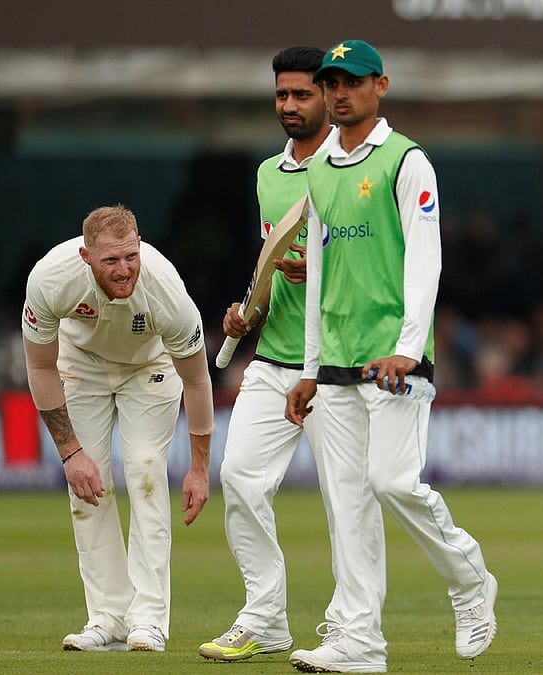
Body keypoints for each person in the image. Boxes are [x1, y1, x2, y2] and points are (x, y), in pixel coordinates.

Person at [284, 40, 498, 673]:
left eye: (350, 81)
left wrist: (408, 348)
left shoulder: (408, 161)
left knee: (392, 482)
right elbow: (319, 272)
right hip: (337, 362)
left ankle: (469, 581)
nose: (338, 92)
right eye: (330, 82)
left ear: (380, 85)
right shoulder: (318, 166)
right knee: (345, 504)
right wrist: (308, 368)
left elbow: (425, 258)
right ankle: (359, 643)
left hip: (395, 361)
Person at [21, 204, 214, 653]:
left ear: (140, 245)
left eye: (131, 256)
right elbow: (39, 364)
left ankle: (148, 619)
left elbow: (198, 379)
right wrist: (71, 454)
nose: (124, 269)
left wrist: (200, 468)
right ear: (86, 257)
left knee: (146, 470)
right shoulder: (51, 278)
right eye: (111, 261)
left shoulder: (166, 290)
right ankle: (107, 618)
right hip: (81, 364)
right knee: (88, 486)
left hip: (150, 365)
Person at [198, 45, 336, 662]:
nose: (289, 105)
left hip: (338, 362)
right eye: (282, 94)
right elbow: (270, 268)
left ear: (330, 96)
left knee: (349, 499)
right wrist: (246, 311)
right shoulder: (266, 175)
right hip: (275, 355)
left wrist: (324, 274)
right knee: (240, 479)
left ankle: (348, 625)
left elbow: (385, 264)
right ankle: (265, 620)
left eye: (301, 94)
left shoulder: (359, 168)